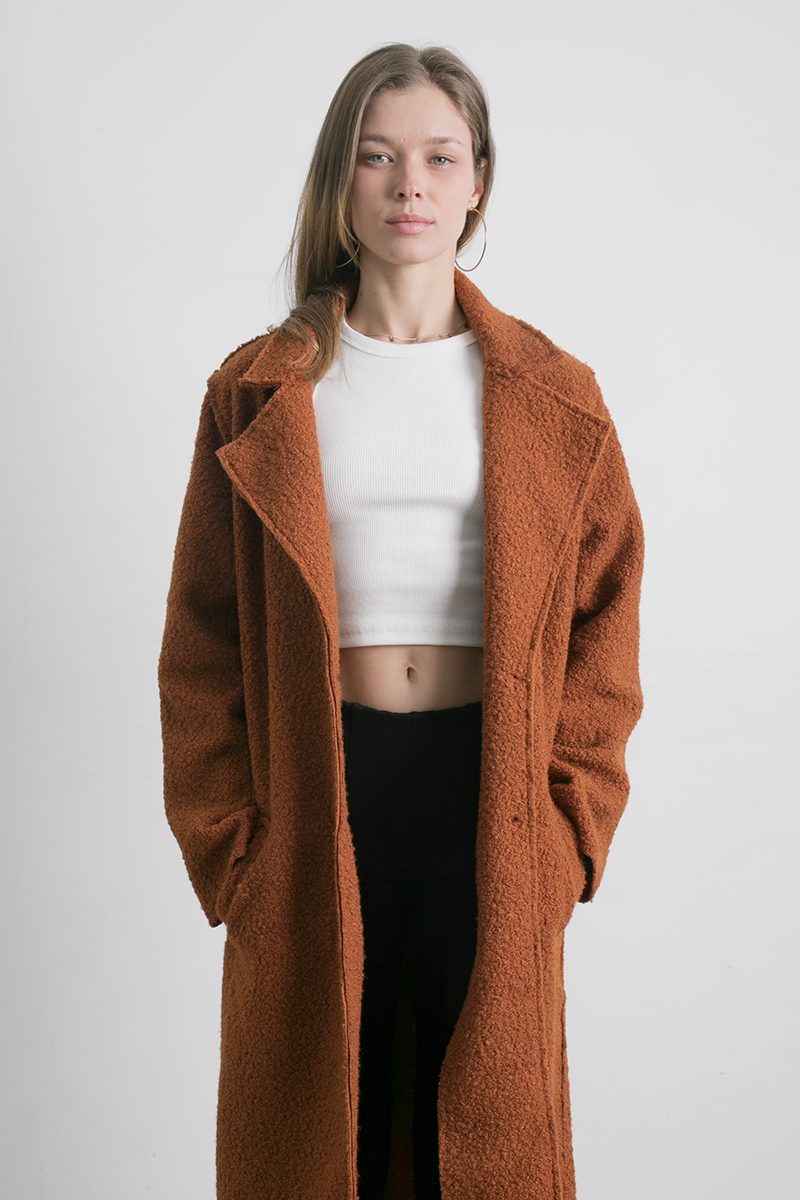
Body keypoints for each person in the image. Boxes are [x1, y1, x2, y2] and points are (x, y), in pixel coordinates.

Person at [159, 42, 644, 1200]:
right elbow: (202, 635)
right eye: (377, 158)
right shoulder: (259, 388)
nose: (408, 184)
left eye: (437, 156)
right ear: (341, 181)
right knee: (325, 1138)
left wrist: (567, 829)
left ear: (478, 180)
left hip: (489, 796)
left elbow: (605, 619)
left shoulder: (553, 392)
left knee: (470, 1144)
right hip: (316, 790)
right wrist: (231, 844)